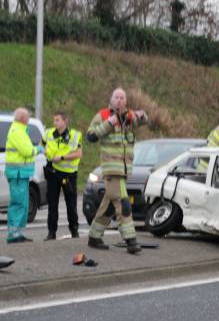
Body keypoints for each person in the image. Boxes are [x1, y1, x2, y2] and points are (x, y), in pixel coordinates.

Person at [86, 88, 148, 254]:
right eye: (116, 97)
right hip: (111, 170)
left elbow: (144, 119)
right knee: (123, 204)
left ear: (125, 102)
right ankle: (130, 240)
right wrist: (109, 124)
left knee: (108, 207)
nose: (119, 100)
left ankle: (94, 236)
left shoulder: (128, 117)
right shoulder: (103, 115)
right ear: (111, 100)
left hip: (124, 170)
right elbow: (90, 136)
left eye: (122, 98)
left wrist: (140, 115)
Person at [5, 108, 44, 243]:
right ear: (23, 119)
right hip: (17, 173)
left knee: (23, 203)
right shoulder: (18, 131)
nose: (29, 119)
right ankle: (14, 233)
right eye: (28, 116)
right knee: (18, 203)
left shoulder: (19, 130)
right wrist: (39, 149)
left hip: (20, 173)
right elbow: (27, 150)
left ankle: (18, 232)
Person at [42, 111, 82, 240]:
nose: (55, 122)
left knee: (71, 204)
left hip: (68, 175)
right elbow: (41, 145)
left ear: (65, 121)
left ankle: (74, 230)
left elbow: (78, 154)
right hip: (53, 173)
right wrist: (47, 153)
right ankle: (51, 232)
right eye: (54, 120)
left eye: (58, 120)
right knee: (52, 203)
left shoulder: (75, 135)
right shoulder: (48, 133)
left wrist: (63, 157)